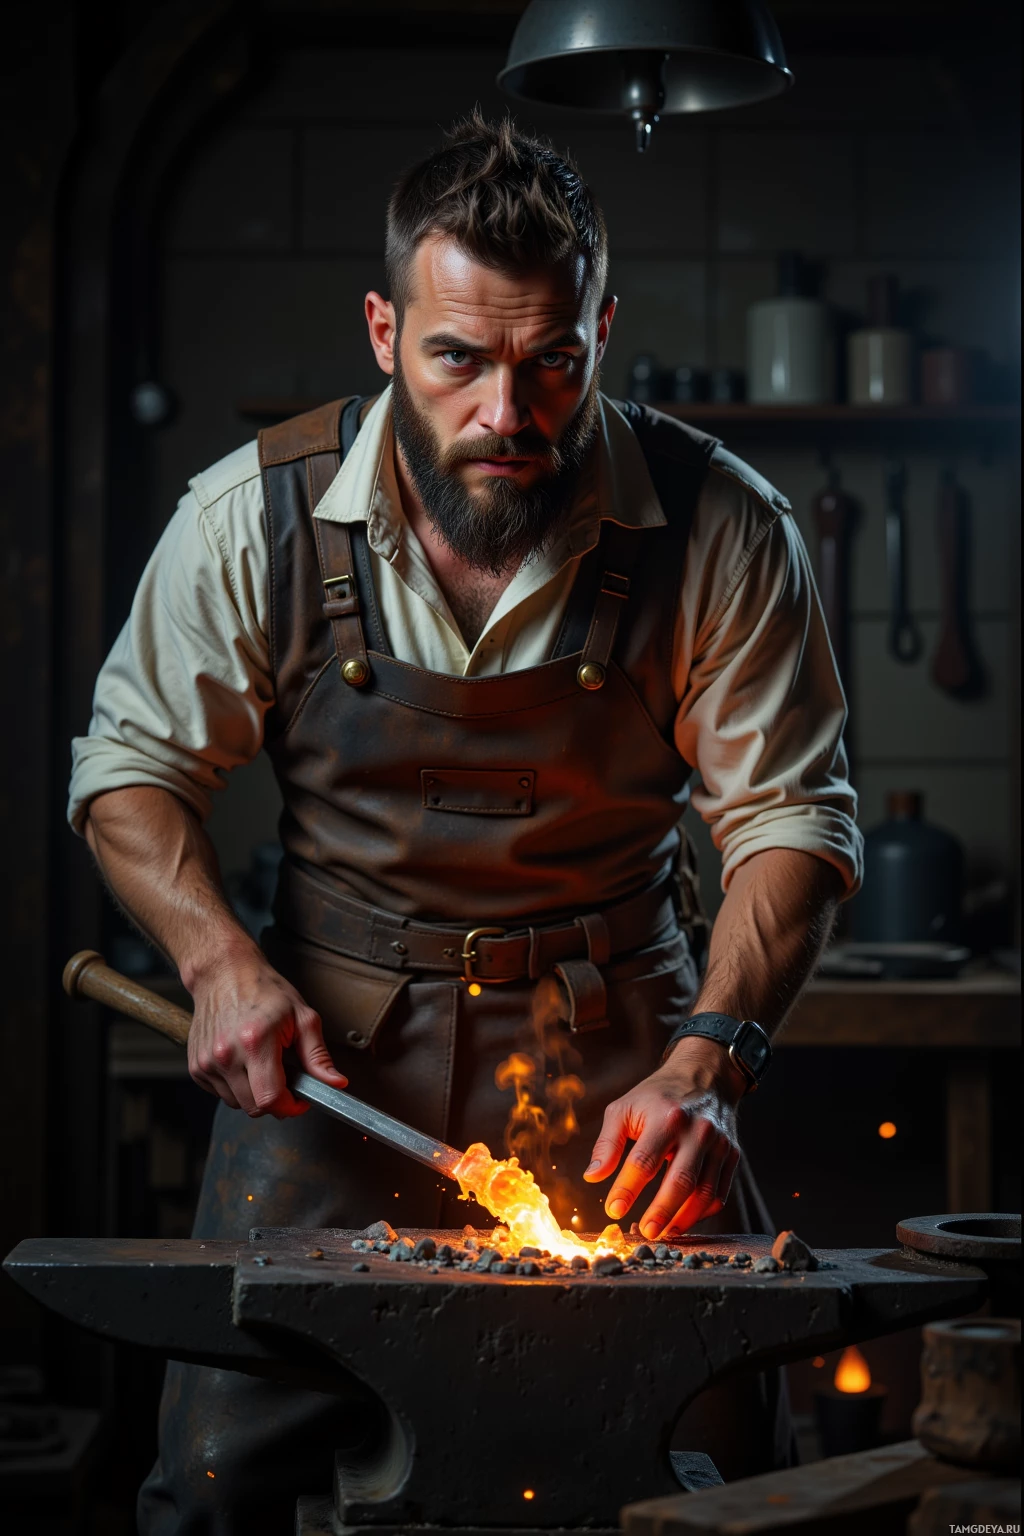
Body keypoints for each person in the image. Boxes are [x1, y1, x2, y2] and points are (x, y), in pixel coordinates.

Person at [70, 113, 862, 1533]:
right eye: (459, 359)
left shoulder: (721, 527)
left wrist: (714, 1057)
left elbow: (793, 819)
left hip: (631, 1066)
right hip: (329, 1078)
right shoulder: (251, 520)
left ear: (603, 329)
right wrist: (214, 963)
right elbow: (130, 772)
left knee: (735, 1484)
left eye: (553, 361)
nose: (510, 411)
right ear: (383, 329)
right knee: (211, 1490)